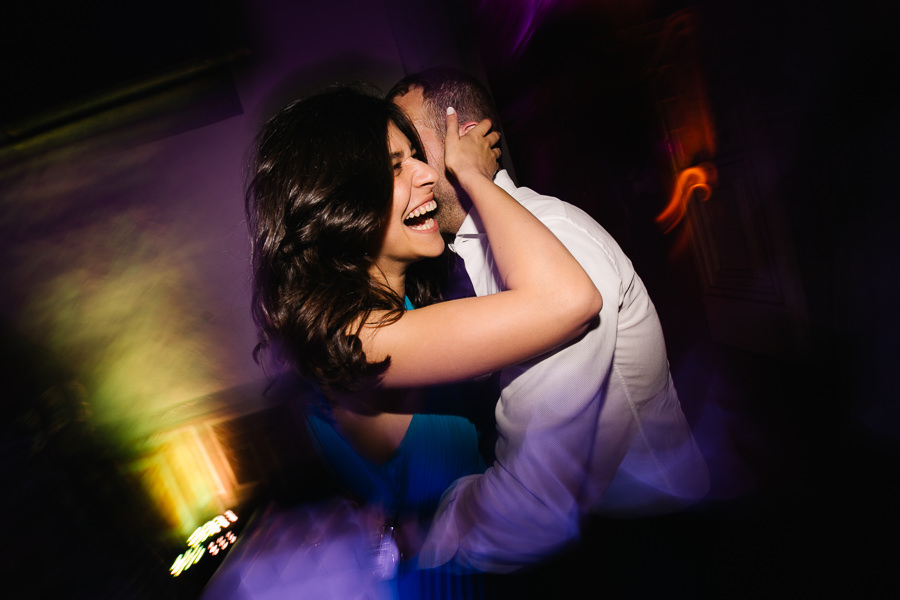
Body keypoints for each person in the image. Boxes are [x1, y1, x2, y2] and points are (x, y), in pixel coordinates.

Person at [244, 84, 602, 586]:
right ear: (339, 200)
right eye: (394, 167)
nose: (430, 174)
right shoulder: (363, 336)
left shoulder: (384, 315)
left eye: (416, 156)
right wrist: (477, 178)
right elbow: (570, 300)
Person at [388, 67, 711, 572]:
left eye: (410, 151)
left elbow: (536, 503)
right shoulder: (479, 254)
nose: (403, 177)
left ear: (465, 139)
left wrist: (433, 532)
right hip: (605, 536)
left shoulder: (552, 239)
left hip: (646, 542)